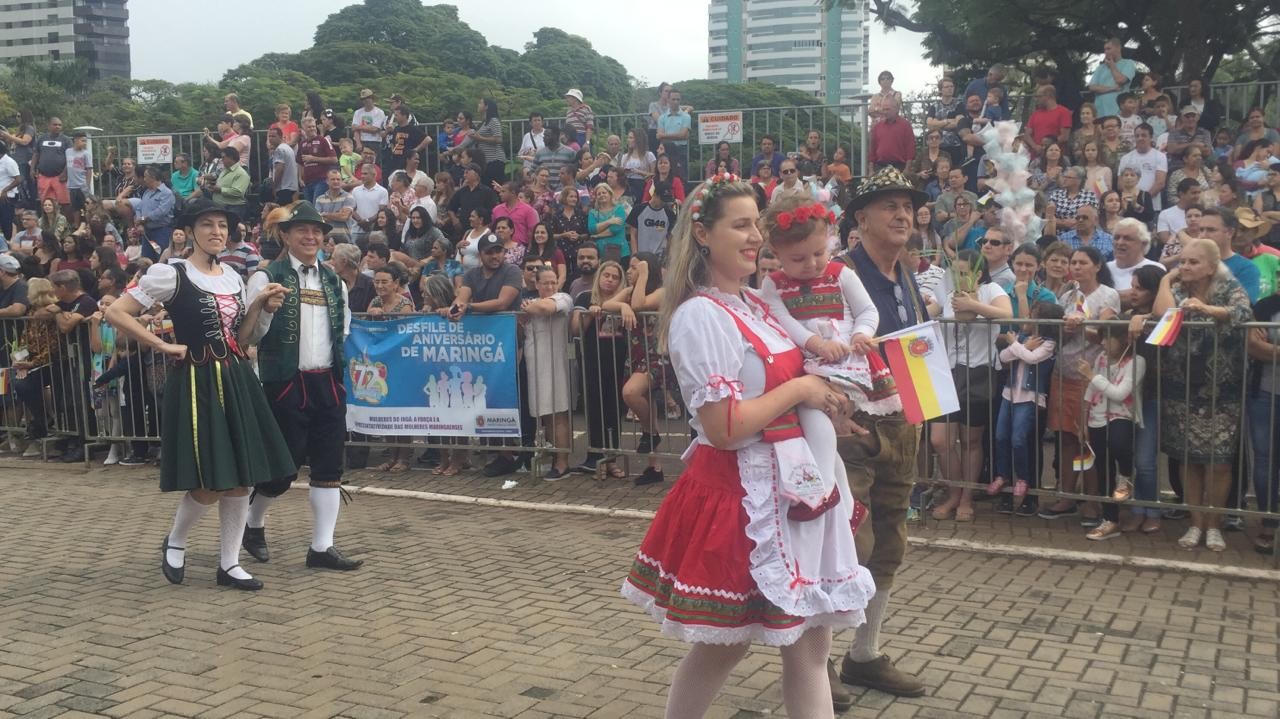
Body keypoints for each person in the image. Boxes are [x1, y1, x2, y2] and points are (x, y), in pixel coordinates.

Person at [620, 173, 874, 719]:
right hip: (745, 493)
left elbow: (786, 386)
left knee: (811, 643)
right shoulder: (701, 315)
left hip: (795, 485)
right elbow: (723, 427)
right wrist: (802, 389)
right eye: (740, 224)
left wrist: (828, 403)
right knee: (722, 644)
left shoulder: (757, 305)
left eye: (757, 224)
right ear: (704, 235)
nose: (755, 236)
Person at [103, 198, 295, 590]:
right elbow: (116, 312)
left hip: (236, 376)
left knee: (243, 474)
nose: (216, 232)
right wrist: (161, 345)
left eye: (222, 225)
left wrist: (260, 304)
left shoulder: (232, 277)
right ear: (191, 231)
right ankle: (175, 540)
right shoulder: (170, 273)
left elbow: (242, 337)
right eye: (207, 224)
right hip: (196, 380)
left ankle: (229, 564)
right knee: (211, 476)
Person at [828, 167, 932, 700]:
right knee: (846, 540)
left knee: (890, 538)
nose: (902, 214)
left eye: (907, 206)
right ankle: (815, 662)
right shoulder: (837, 274)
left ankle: (864, 656)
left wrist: (922, 408)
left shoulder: (907, 274)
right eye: (888, 205)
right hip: (853, 423)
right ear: (860, 217)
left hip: (900, 419)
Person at [240, 201, 362, 572]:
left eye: (317, 232)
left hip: (326, 380)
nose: (311, 237)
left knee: (329, 468)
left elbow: (342, 328)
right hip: (283, 382)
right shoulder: (266, 276)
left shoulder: (333, 281)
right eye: (302, 231)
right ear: (286, 235)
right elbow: (251, 334)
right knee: (282, 468)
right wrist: (267, 310)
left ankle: (321, 547)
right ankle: (252, 523)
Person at [1153, 237, 1251, 551]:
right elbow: (1162, 313)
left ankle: (1214, 524)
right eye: (1183, 261)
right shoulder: (1178, 289)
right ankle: (1195, 523)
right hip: (1181, 387)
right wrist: (1168, 278)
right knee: (1189, 458)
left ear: (1211, 265)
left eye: (1193, 262)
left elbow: (1242, 313)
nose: (1186, 266)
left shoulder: (1229, 287)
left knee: (1219, 463)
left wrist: (1205, 307)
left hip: (1222, 390)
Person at [1037, 247, 1121, 523]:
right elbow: (1055, 333)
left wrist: (1084, 325)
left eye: (1083, 262)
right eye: (1074, 262)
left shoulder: (1108, 295)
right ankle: (1068, 495)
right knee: (1066, 438)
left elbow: (1109, 336)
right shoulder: (1067, 295)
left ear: (1097, 266)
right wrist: (1065, 329)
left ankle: (1093, 499)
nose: (1077, 266)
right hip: (1063, 371)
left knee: (1089, 440)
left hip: (1091, 376)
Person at [1077, 319, 1146, 541]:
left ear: (1125, 339)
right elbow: (1090, 390)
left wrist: (1092, 376)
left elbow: (1119, 393)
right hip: (1097, 416)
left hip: (1121, 415)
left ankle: (1125, 476)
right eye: (1102, 338)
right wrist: (1083, 418)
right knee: (1102, 466)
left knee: (1119, 444)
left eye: (1109, 338)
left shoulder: (1137, 362)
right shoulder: (1101, 359)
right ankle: (1110, 519)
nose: (1104, 343)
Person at [991, 301, 1062, 516]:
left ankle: (1023, 477)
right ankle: (1003, 475)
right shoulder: (1023, 339)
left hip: (1030, 397)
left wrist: (1017, 346)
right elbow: (1002, 358)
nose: (1028, 318)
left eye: (1034, 315)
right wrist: (1021, 346)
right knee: (1001, 436)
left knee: (1019, 438)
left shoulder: (1049, 344)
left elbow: (1032, 358)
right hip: (1008, 394)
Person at [572, 259, 628, 478]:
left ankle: (612, 458)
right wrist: (589, 315)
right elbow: (575, 329)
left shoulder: (624, 299)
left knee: (614, 410)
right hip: (592, 361)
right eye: (607, 275)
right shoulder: (585, 297)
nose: (610, 280)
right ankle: (594, 457)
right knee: (595, 409)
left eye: (615, 277)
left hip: (617, 361)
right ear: (599, 277)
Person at [519, 266, 573, 479]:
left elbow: (546, 309)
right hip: (535, 366)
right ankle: (554, 458)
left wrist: (528, 307)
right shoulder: (531, 302)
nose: (550, 286)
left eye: (553, 282)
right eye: (545, 283)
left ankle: (562, 463)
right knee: (546, 416)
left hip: (556, 365)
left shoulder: (564, 298)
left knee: (558, 413)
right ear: (537, 284)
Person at [868, 101, 915, 171]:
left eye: (887, 109)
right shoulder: (877, 127)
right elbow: (872, 150)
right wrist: (871, 171)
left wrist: (907, 169)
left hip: (899, 166)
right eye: (883, 109)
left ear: (896, 109)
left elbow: (910, 149)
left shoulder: (905, 125)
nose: (885, 112)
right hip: (880, 166)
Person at [588, 184, 628, 262]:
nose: (601, 195)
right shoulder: (593, 212)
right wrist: (609, 221)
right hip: (601, 252)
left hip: (620, 251)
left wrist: (597, 235)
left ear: (610, 194)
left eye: (604, 192)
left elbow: (615, 229)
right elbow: (592, 229)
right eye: (598, 194)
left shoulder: (619, 209)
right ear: (596, 197)